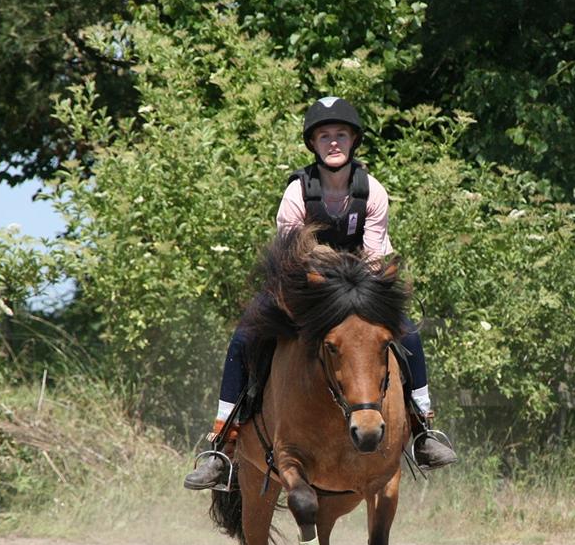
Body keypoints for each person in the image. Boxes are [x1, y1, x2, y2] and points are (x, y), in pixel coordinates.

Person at [183, 96, 457, 491]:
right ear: (313, 143)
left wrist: (352, 279)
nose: (333, 142)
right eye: (324, 136)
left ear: (353, 141)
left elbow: (375, 255)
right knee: (245, 334)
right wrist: (330, 274)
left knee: (407, 331)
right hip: (304, 286)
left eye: (341, 135)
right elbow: (293, 255)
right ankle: (221, 444)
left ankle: (423, 429)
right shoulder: (298, 192)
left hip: (356, 286)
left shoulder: (373, 191)